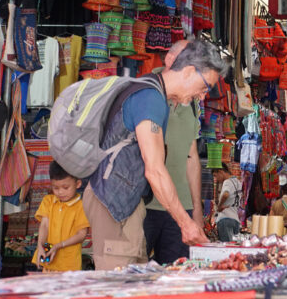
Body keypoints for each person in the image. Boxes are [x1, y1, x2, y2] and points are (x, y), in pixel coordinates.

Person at [82, 40, 227, 270]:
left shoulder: (155, 94)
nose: (202, 96)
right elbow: (155, 170)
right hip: (114, 202)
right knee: (119, 288)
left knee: (137, 283)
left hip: (127, 204)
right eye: (204, 87)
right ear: (190, 71)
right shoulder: (149, 98)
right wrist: (186, 223)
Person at [143, 40, 204, 265]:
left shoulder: (193, 103)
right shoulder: (147, 91)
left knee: (176, 277)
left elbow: (192, 158)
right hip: (144, 204)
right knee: (134, 277)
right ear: (169, 60)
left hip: (182, 207)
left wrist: (196, 209)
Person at [32, 162, 90, 272]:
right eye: (55, 188)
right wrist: (40, 246)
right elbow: (44, 225)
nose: (60, 192)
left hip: (69, 266)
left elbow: (81, 234)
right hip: (48, 264)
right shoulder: (48, 201)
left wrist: (59, 246)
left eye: (65, 187)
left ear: (78, 184)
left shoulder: (81, 206)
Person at [214, 164, 243, 241]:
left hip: (225, 219)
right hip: (235, 220)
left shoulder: (227, 182)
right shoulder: (238, 182)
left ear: (220, 171)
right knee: (233, 248)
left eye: (216, 175)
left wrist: (219, 206)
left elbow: (226, 194)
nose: (216, 179)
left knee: (226, 248)